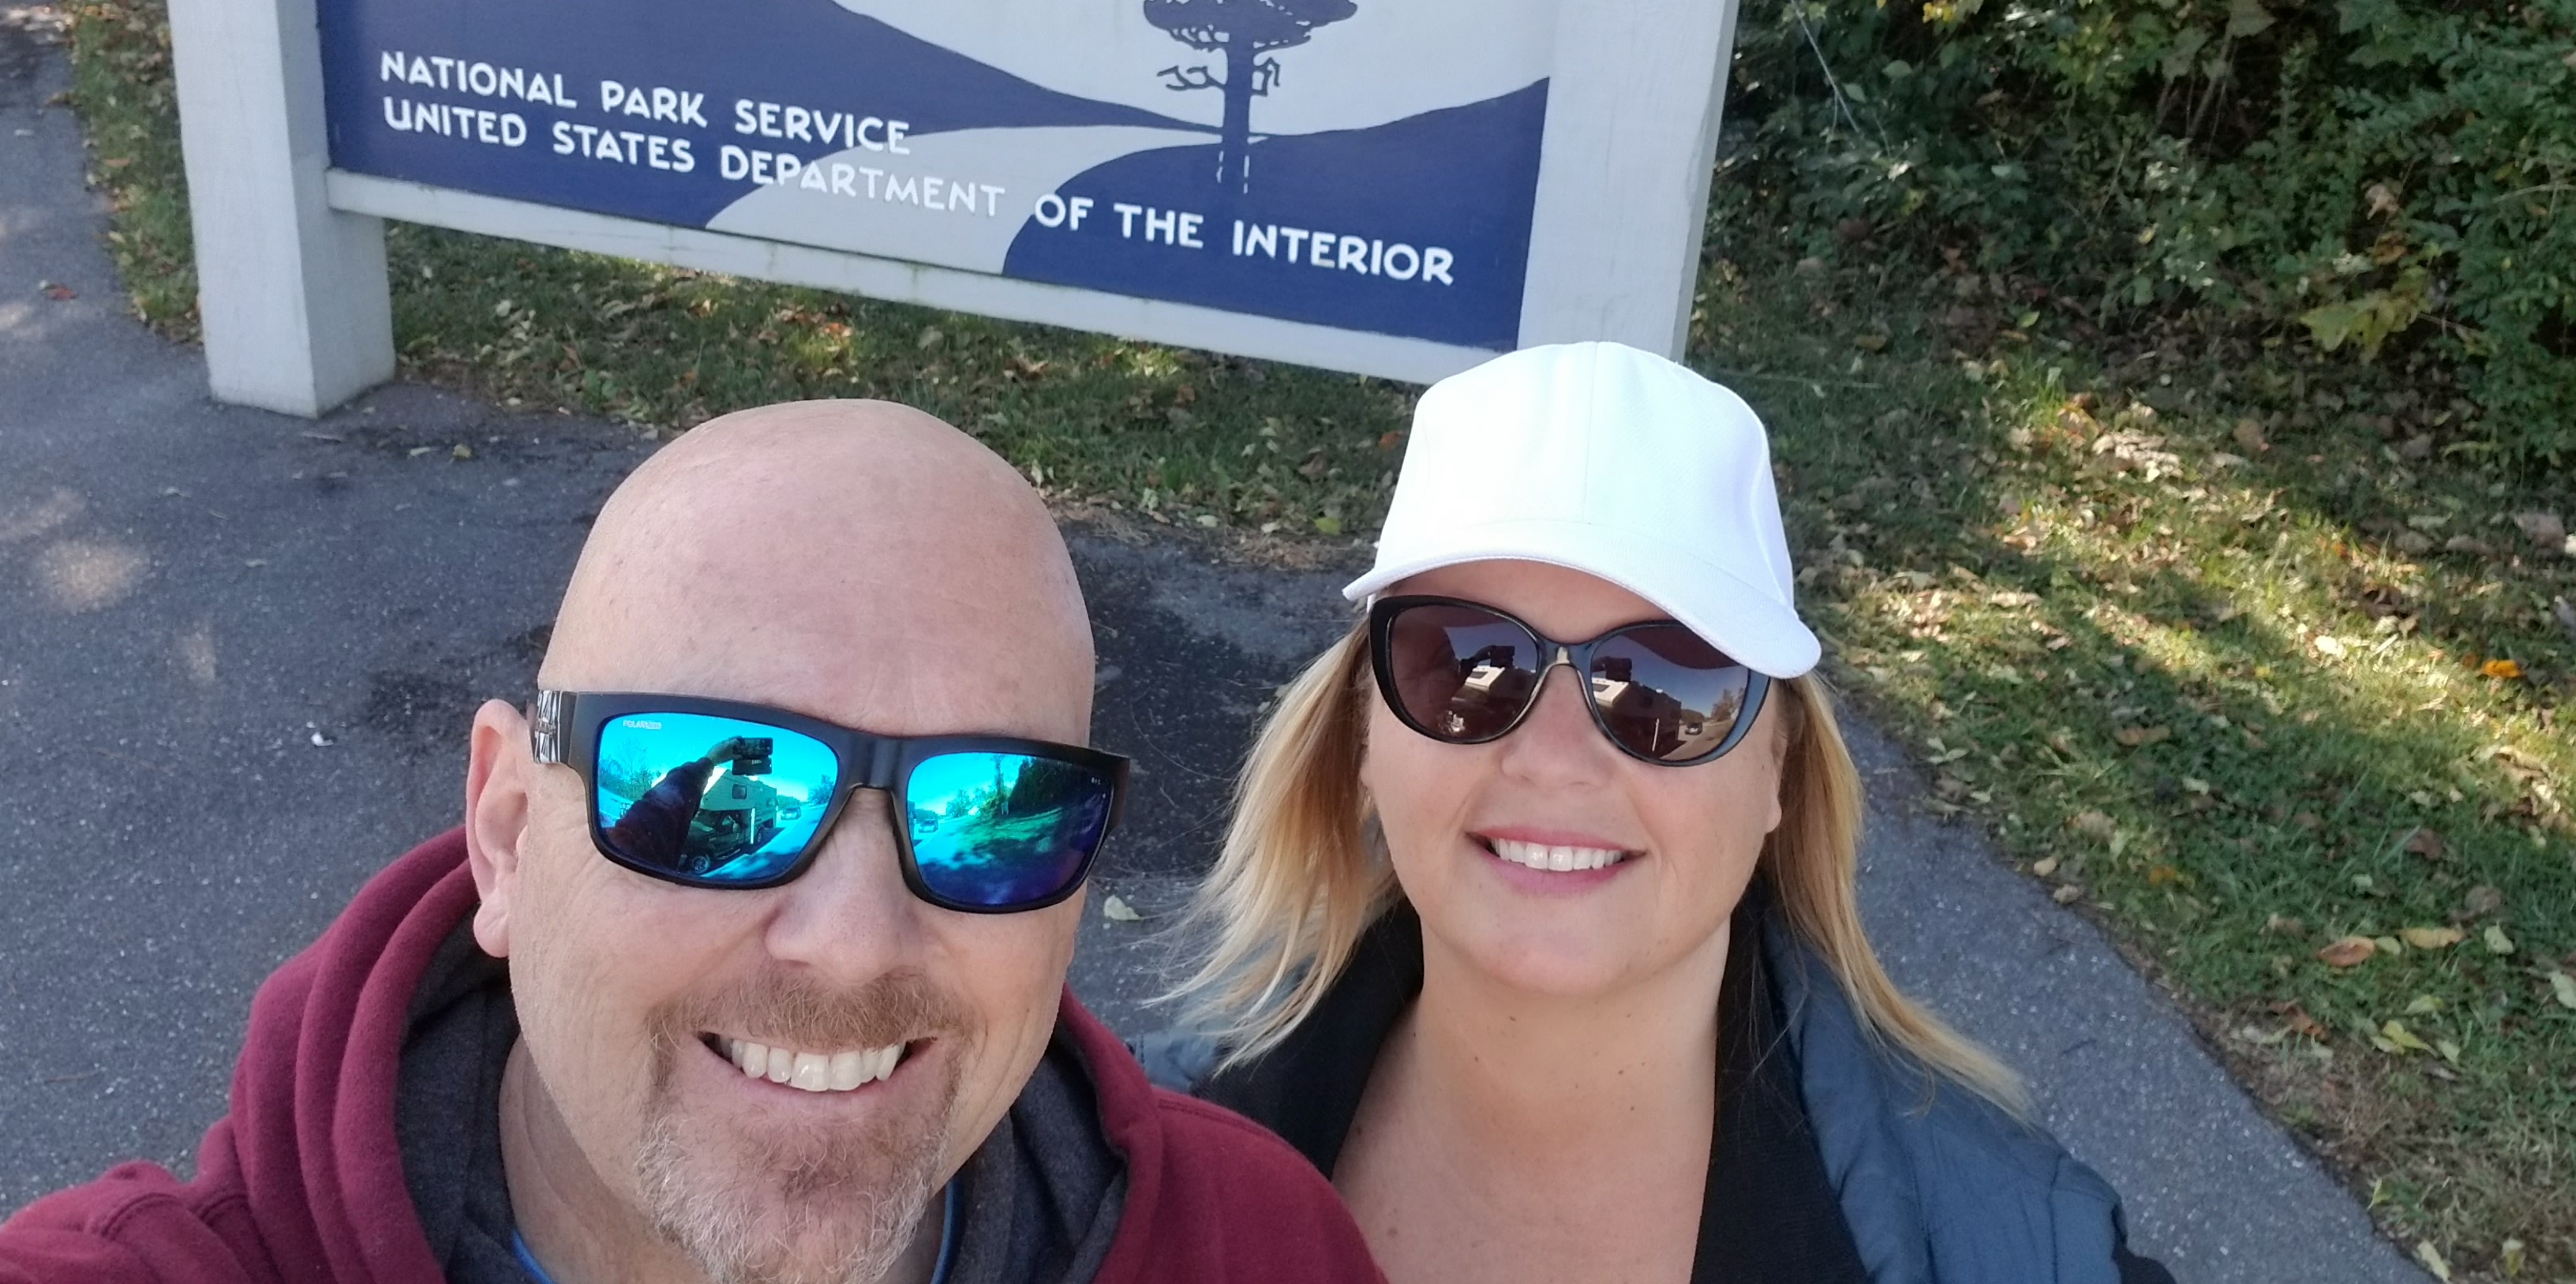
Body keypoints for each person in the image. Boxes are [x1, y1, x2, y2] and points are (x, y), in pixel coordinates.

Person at [0, 401, 1383, 1284]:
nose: (852, 942)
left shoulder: (1256, 1246)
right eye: (724, 790)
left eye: (994, 810)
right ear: (505, 834)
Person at [1179, 341, 2177, 1284]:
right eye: (1471, 665)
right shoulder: (1126, 1177)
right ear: (1363, 730)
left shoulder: (2027, 1252)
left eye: (1665, 683)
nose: (1555, 761)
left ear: (1779, 764)